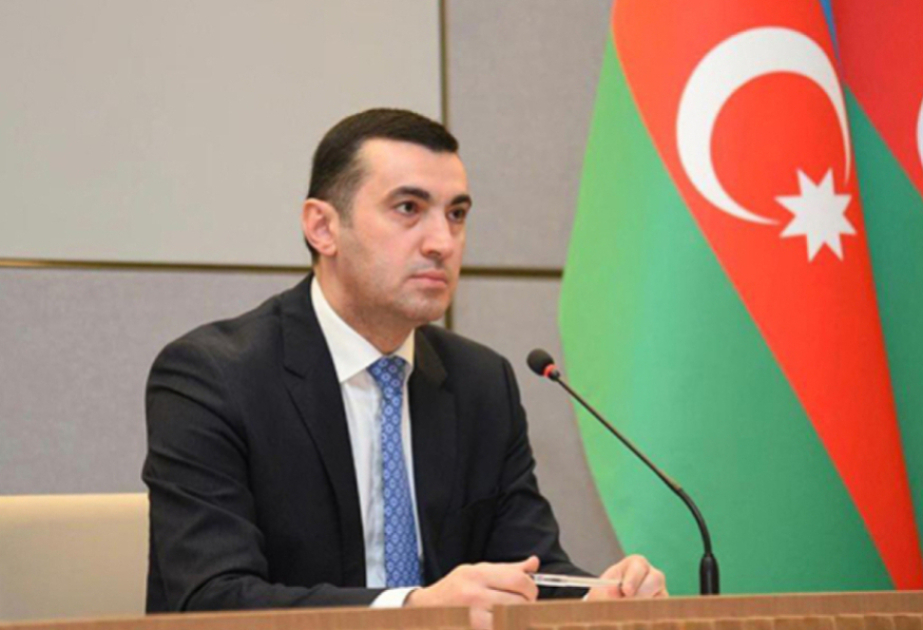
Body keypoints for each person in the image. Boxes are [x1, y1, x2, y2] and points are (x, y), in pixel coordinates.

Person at [143, 109, 666, 629]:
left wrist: (598, 598)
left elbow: (529, 569)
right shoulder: (213, 377)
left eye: (456, 214)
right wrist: (412, 610)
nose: (443, 242)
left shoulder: (481, 383)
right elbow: (211, 601)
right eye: (408, 208)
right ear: (323, 227)